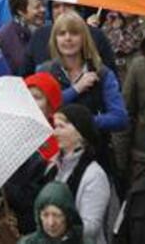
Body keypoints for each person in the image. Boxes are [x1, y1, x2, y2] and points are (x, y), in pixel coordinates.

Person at [40, 12, 128, 134]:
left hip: (95, 149)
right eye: (62, 33)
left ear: (84, 38)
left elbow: (120, 119)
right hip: (55, 148)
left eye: (74, 33)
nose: (68, 38)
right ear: (55, 39)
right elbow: (40, 111)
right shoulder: (44, 72)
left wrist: (82, 123)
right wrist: (75, 89)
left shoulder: (102, 73)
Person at [50, 104, 115, 244]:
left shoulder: (95, 175)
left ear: (80, 133)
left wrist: (53, 225)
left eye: (61, 127)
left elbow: (91, 227)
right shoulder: (53, 166)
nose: (55, 133)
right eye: (55, 126)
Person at [17, 181, 86, 244]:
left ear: (68, 216)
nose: (51, 223)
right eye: (45, 215)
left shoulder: (83, 240)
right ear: (38, 216)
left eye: (57, 215)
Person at [0, 0, 47, 77]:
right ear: (21, 11)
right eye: (37, 7)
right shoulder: (3, 38)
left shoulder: (45, 32)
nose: (43, 10)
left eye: (43, 5)